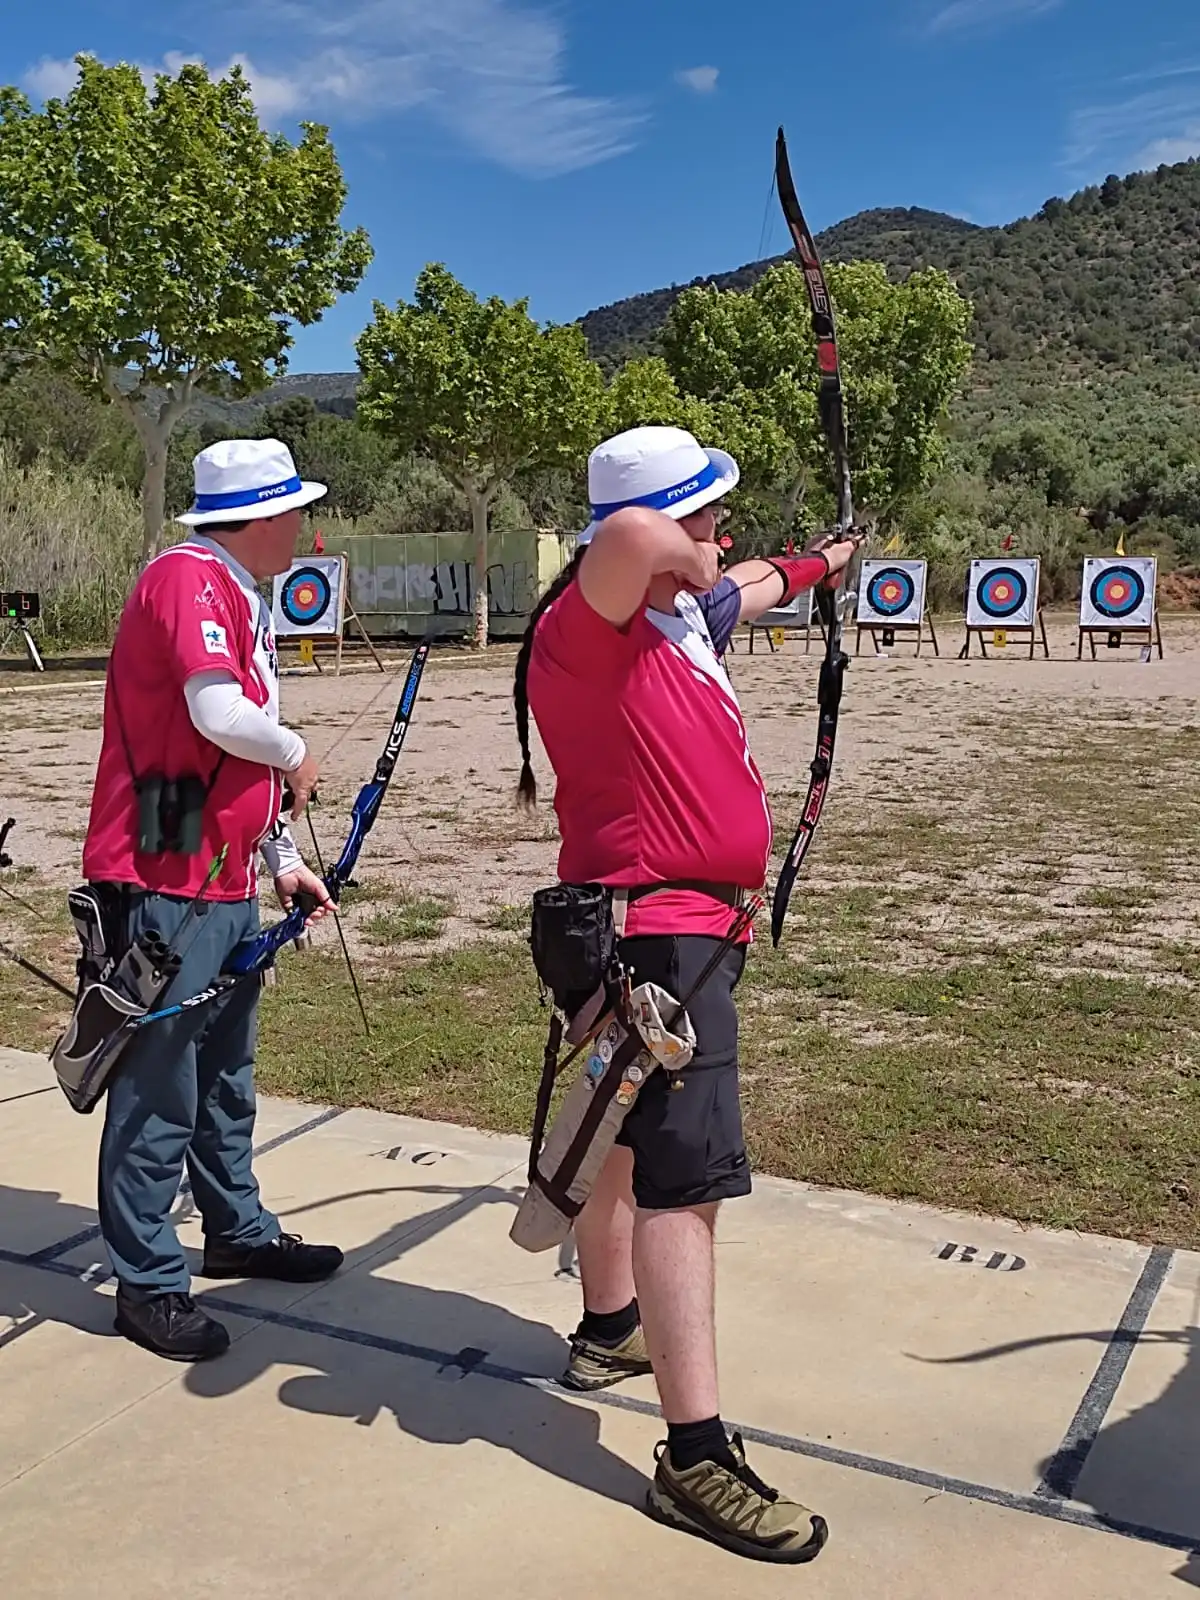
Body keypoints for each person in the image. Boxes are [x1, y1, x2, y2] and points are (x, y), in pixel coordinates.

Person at [512, 425, 862, 1562]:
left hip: (684, 932)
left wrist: (822, 563)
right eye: (709, 517)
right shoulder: (583, 628)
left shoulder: (672, 618)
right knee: (683, 1183)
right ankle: (694, 1456)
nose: (724, 538)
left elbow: (752, 583)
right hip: (653, 941)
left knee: (627, 1141)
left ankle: (610, 1326)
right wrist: (693, 550)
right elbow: (629, 534)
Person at [81, 438, 345, 1363]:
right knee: (161, 1078)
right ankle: (148, 1281)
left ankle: (234, 1228)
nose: (303, 528)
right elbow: (217, 717)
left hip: (214, 860)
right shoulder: (190, 578)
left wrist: (278, 857)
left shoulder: (234, 588)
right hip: (165, 860)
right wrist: (297, 747)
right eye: (293, 512)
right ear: (260, 517)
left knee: (225, 1070)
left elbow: (227, 754)